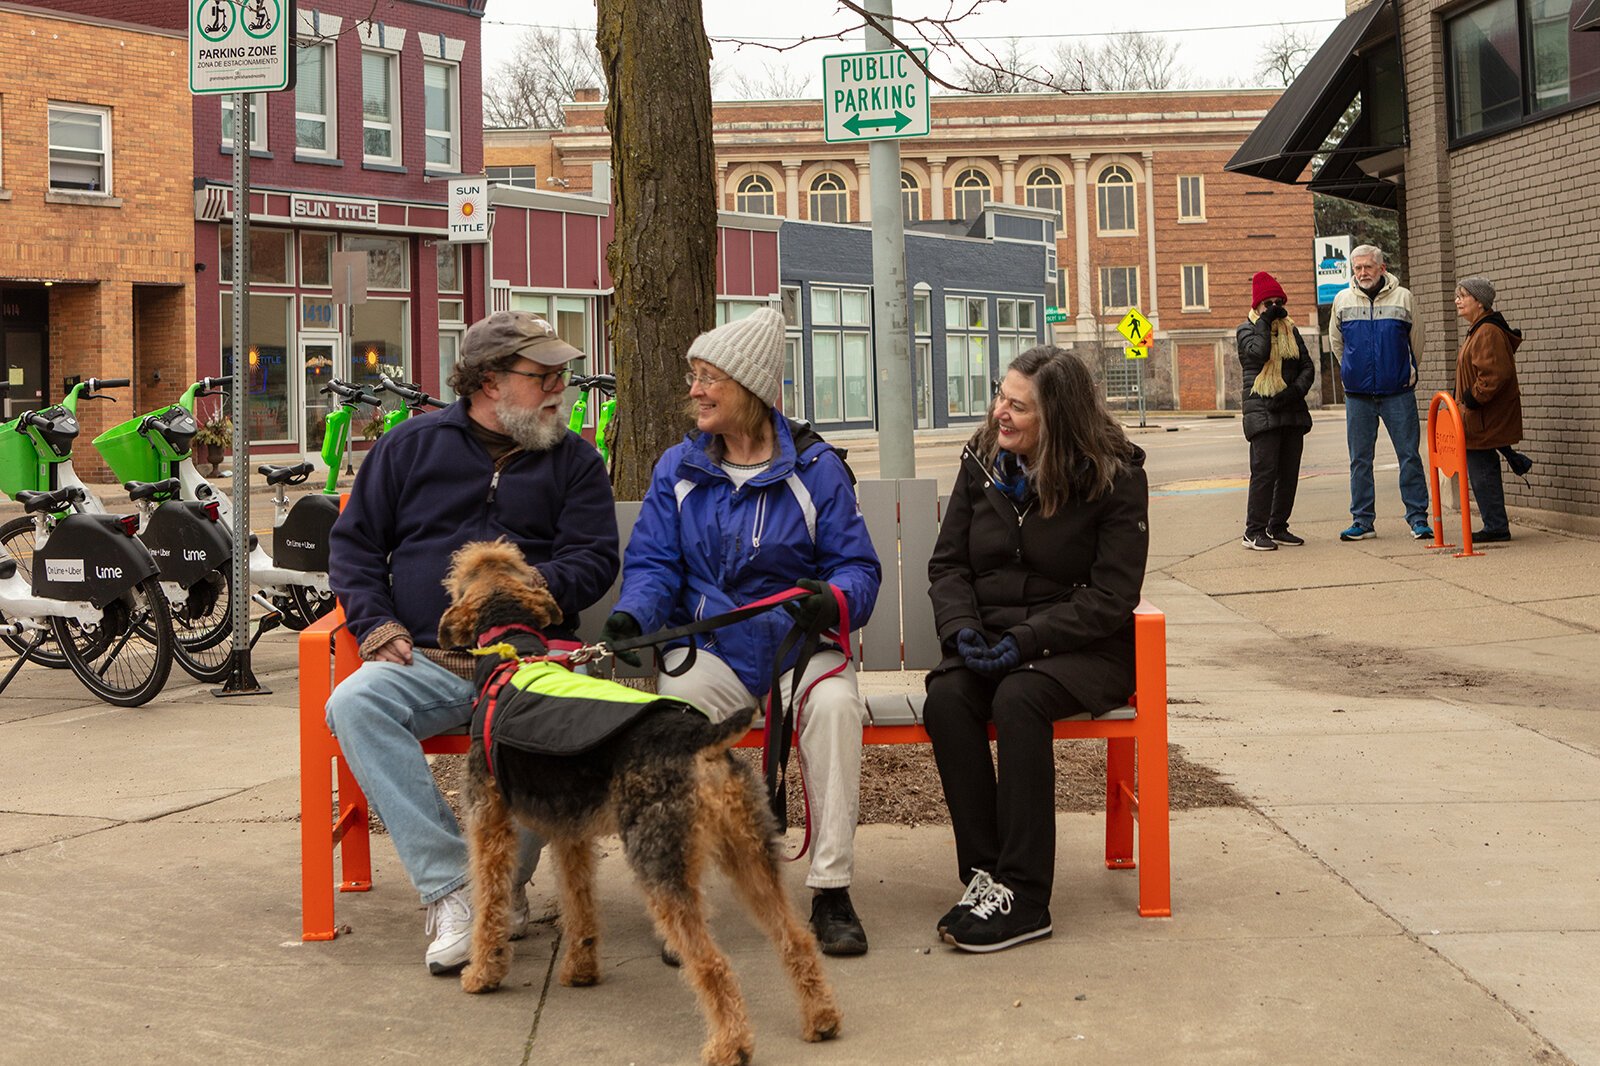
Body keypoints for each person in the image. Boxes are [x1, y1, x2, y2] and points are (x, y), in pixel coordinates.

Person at [326, 310, 619, 975]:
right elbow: (356, 548)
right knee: (355, 705)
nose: (559, 389)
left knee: (554, 732)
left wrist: (522, 586)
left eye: (562, 376)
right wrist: (375, 623)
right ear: (489, 380)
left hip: (525, 662)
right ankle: (455, 891)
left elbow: (596, 559)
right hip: (424, 657)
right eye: (542, 375)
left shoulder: (574, 460)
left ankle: (504, 888)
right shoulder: (409, 447)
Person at [602, 308, 882, 957]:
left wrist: (832, 600)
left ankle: (832, 889)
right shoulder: (679, 466)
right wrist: (635, 616)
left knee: (838, 707)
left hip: (796, 643)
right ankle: (683, 901)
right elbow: (653, 564)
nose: (694, 390)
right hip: (713, 646)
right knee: (672, 724)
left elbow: (857, 567)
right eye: (694, 377)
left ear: (748, 390)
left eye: (708, 379)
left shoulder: (816, 469)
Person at [923, 346, 1149, 954]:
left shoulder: (1114, 475)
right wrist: (961, 629)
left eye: (1018, 406)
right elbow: (947, 566)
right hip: (993, 638)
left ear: (1059, 417)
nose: (1001, 412)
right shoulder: (984, 462)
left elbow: (1112, 595)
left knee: (1020, 697)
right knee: (946, 697)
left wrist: (1027, 640)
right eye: (1002, 395)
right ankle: (986, 876)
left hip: (1083, 649)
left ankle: (1025, 897)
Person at [1329, 245, 1433, 542]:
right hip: (1358, 395)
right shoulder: (1342, 300)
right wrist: (1354, 370)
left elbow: (1417, 342)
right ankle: (1362, 521)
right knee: (1359, 460)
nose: (1362, 272)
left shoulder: (1404, 298)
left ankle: (1418, 519)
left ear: (1381, 268)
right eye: (1358, 268)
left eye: (1368, 267)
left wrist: (1402, 372)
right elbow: (1338, 344)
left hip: (1397, 393)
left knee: (1409, 456)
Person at [1237, 271, 1315, 551]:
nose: (1272, 308)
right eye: (1266, 304)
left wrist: (1294, 391)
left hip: (1291, 408)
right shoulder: (1246, 329)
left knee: (1289, 472)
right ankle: (1253, 531)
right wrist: (1266, 323)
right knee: (1264, 472)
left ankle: (1278, 526)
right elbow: (1256, 354)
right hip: (1262, 409)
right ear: (1256, 307)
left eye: (1276, 302)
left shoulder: (1290, 330)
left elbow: (1307, 366)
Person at [1452, 277, 1525, 543]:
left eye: (1463, 295)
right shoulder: (1479, 329)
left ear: (1480, 302)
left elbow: (1495, 374)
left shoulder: (1487, 332)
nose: (1457, 300)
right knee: (1482, 468)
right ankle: (1494, 523)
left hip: (1482, 416)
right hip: (1478, 415)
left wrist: (1471, 399)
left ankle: (1495, 526)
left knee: (1482, 469)